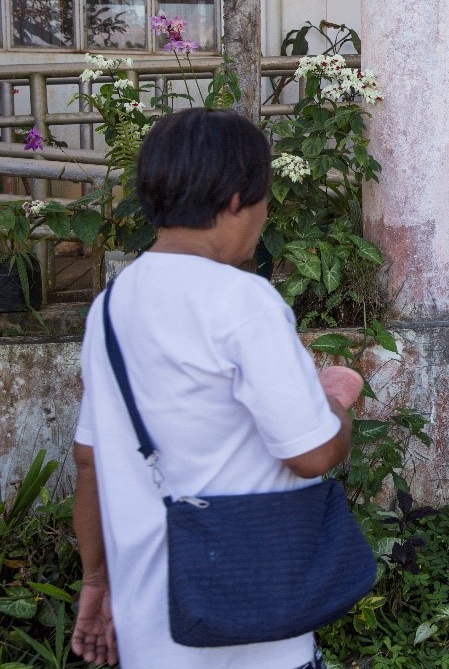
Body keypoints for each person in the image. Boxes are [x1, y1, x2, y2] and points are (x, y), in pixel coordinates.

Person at [70, 108, 364, 669]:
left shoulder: (109, 308)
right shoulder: (242, 301)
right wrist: (337, 399)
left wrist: (97, 582)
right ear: (235, 199)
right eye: (262, 201)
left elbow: (90, 461)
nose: (261, 217)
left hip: (148, 634)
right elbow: (314, 453)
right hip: (255, 639)